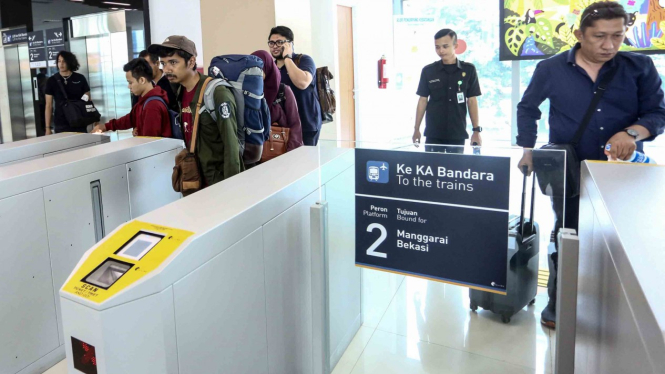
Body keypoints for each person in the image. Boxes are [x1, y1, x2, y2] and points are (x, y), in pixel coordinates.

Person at [516, 1, 665, 329]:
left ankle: (615, 308)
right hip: (567, 168)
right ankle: (559, 299)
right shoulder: (551, 69)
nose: (609, 45)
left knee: (619, 240)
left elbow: (657, 113)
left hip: (621, 174)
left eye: (618, 36)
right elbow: (528, 108)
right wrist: (527, 149)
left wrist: (631, 133)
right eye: (599, 37)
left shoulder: (639, 67)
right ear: (579, 34)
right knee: (567, 233)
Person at [147, 35, 243, 187]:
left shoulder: (217, 93)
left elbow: (231, 146)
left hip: (218, 182)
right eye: (163, 63)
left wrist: (232, 188)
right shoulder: (180, 90)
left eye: (173, 62)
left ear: (191, 62)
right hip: (196, 179)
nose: (166, 69)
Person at [412, 29, 482, 154]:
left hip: (457, 133)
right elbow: (422, 101)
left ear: (455, 46)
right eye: (437, 47)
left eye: (445, 46)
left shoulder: (469, 70)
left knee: (454, 171)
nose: (441, 51)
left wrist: (476, 131)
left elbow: (472, 101)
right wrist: (416, 129)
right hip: (433, 133)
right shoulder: (428, 71)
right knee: (431, 170)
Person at [268, 26, 322, 146]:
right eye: (271, 43)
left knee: (305, 162)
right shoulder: (271, 67)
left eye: (280, 42)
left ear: (290, 44)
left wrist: (287, 58)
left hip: (306, 124)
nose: (275, 46)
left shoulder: (304, 60)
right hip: (282, 125)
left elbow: (302, 83)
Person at [91, 58, 171, 137]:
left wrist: (139, 135)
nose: (129, 86)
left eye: (130, 82)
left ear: (142, 80)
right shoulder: (145, 100)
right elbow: (130, 119)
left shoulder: (152, 106)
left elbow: (149, 141)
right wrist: (106, 126)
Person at [251, 50, 303, 152]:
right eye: (252, 69)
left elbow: (295, 125)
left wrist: (290, 155)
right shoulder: (247, 92)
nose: (255, 73)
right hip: (253, 157)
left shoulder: (283, 91)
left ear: (268, 68)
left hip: (281, 154)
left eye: (259, 69)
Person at [44, 51, 91, 135]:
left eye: (64, 61)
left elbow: (88, 100)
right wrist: (47, 128)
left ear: (70, 62)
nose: (61, 64)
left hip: (79, 120)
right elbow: (48, 105)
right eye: (59, 61)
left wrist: (95, 120)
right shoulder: (51, 81)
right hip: (61, 122)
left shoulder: (80, 78)